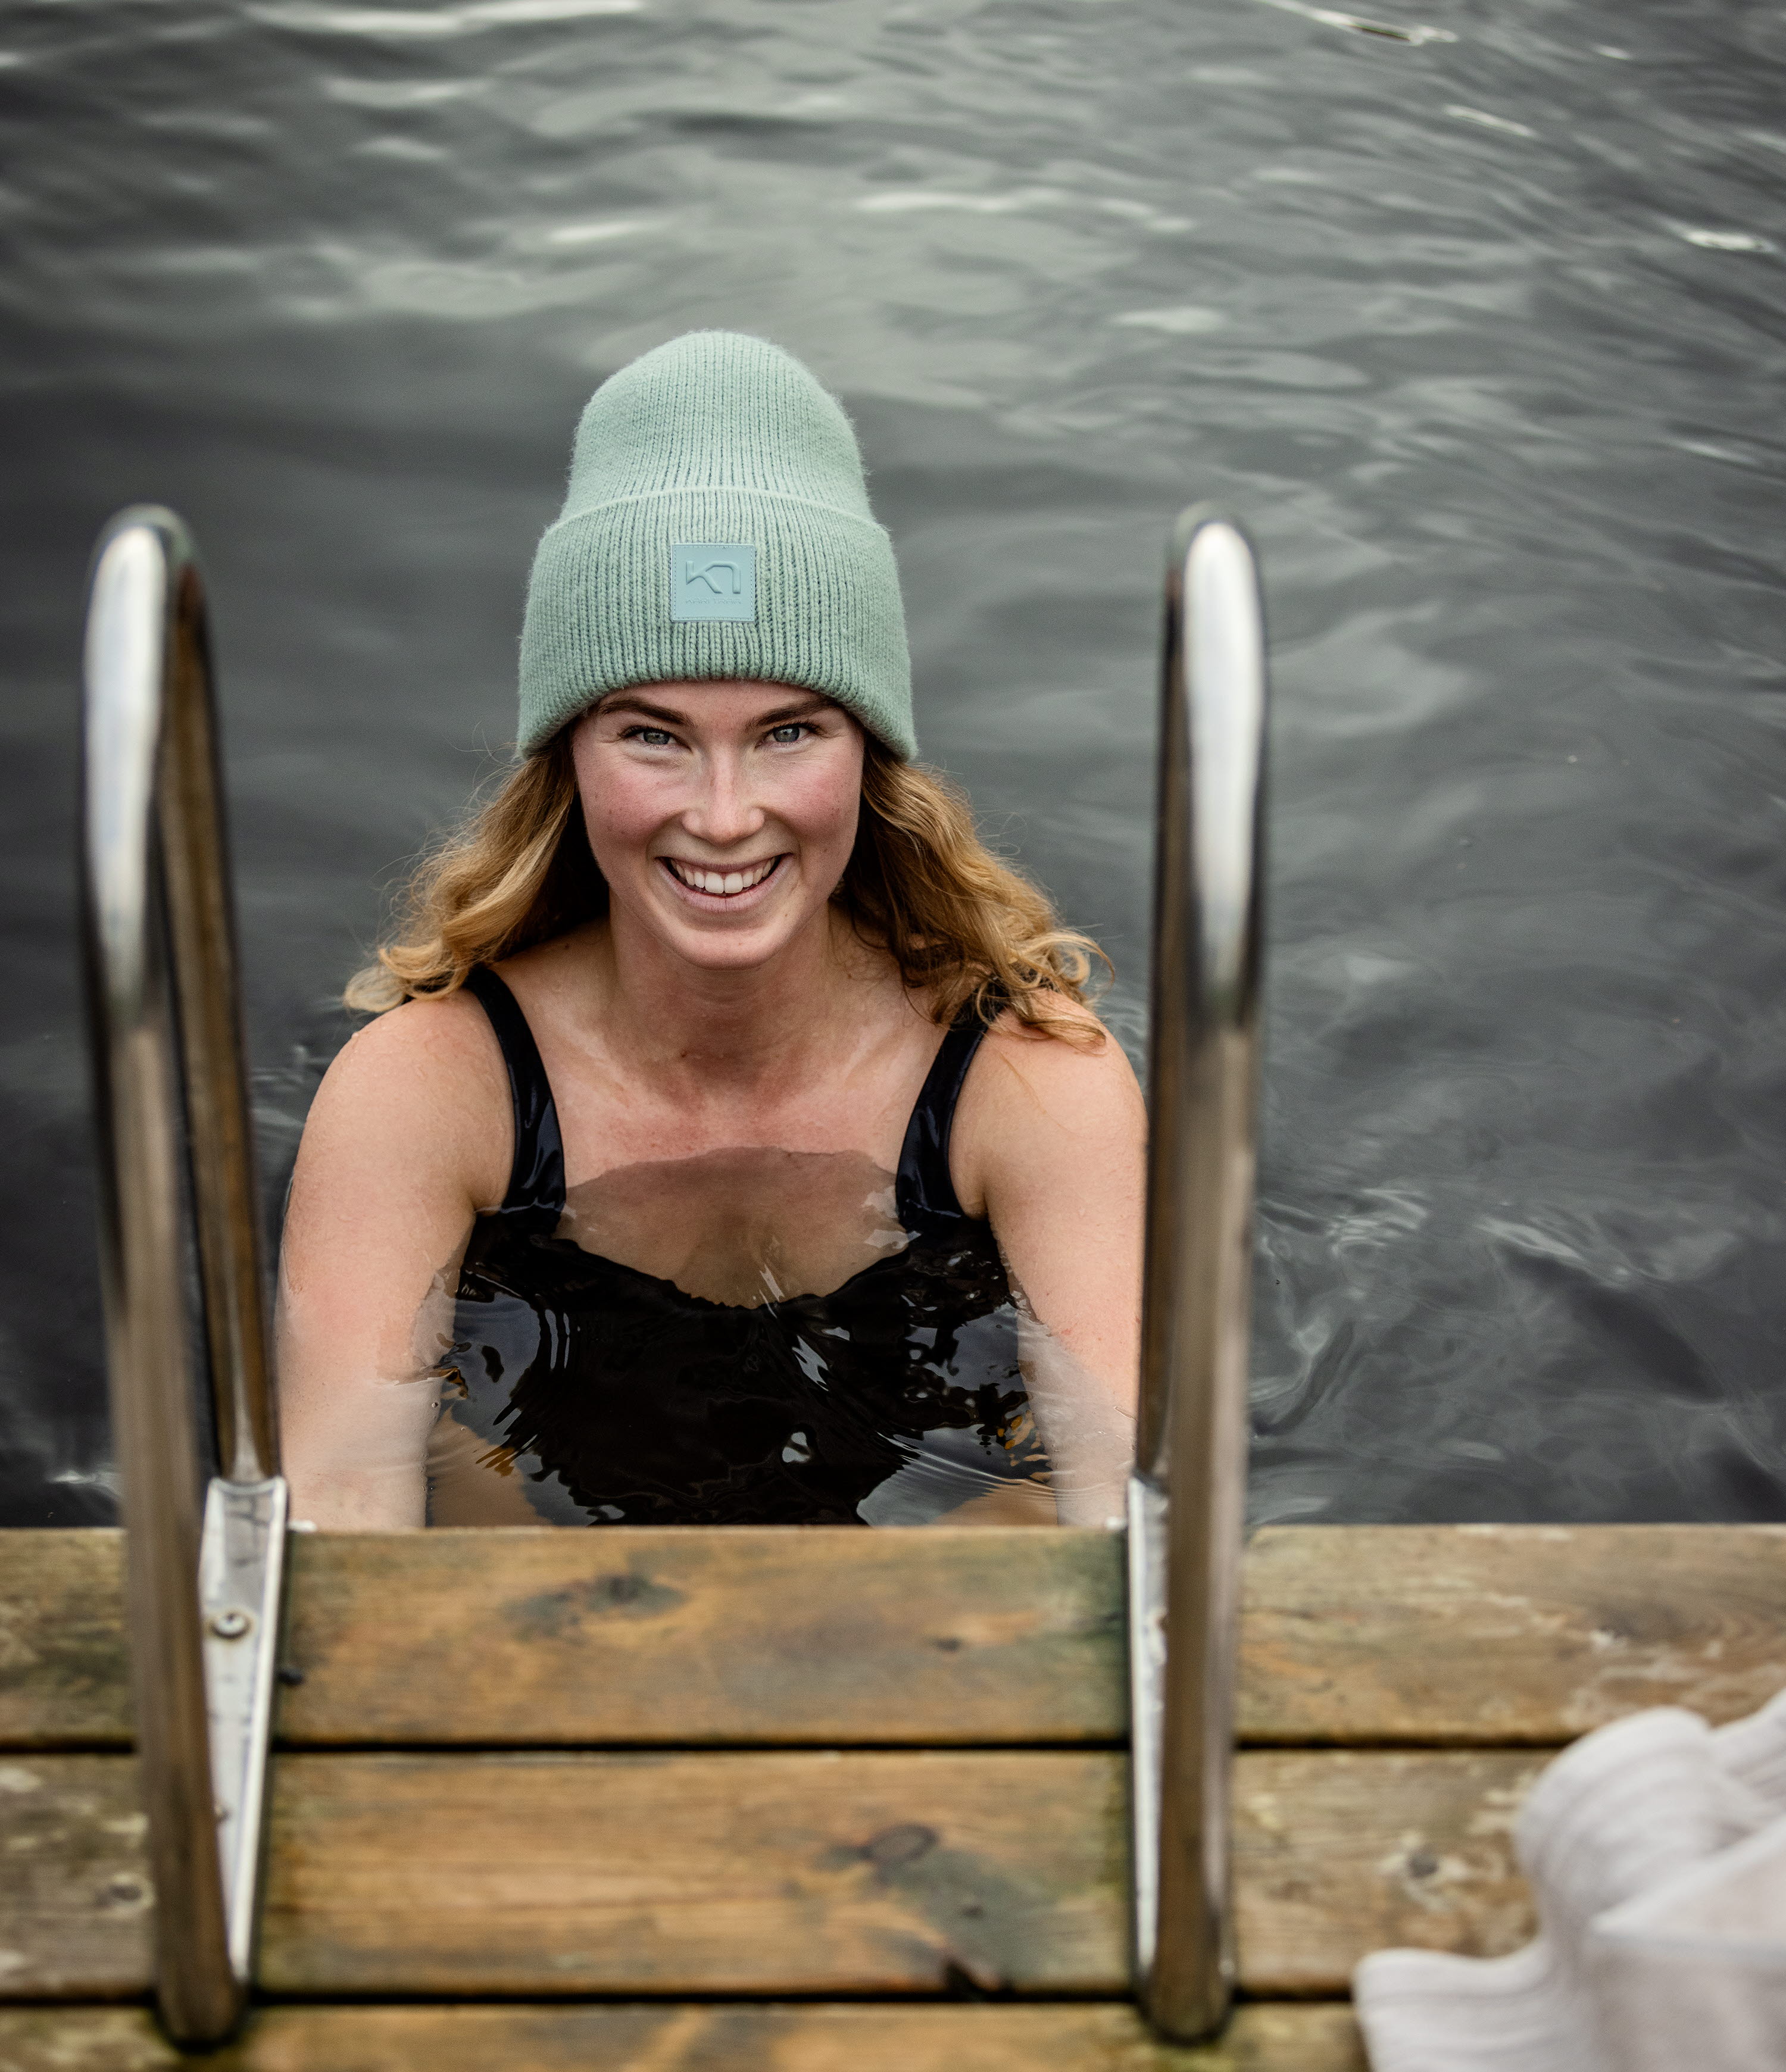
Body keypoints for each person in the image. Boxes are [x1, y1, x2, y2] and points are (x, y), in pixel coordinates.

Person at [277, 331, 1144, 1531]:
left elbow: (1124, 1501)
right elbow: (341, 1515)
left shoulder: (1032, 1081)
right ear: (568, 755)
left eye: (790, 731)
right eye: (652, 734)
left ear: (871, 758)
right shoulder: (428, 1089)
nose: (725, 817)